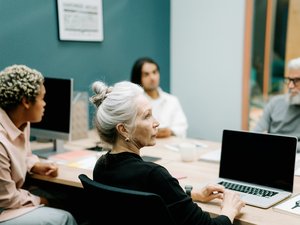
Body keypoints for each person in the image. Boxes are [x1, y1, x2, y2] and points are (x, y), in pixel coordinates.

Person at [90, 80, 245, 224]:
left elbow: (141, 198)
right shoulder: (154, 175)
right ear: (123, 129)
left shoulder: (101, 167)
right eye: (147, 116)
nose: (156, 122)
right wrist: (229, 211)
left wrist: (192, 194)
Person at [0, 65, 78, 225]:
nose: (45, 104)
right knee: (65, 217)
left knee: (68, 200)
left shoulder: (21, 123)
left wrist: (35, 165)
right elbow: (6, 198)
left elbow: (24, 155)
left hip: (12, 198)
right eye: (42, 98)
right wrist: (42, 200)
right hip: (3, 209)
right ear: (26, 101)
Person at [131, 57, 188, 138]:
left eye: (154, 72)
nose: (152, 78)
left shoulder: (172, 100)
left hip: (170, 145)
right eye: (146, 74)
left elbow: (182, 127)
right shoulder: (135, 102)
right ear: (138, 78)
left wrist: (170, 131)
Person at [252, 57, 300, 152]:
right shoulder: (275, 103)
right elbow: (255, 134)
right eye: (289, 80)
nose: (290, 86)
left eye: (297, 81)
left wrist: (273, 144)